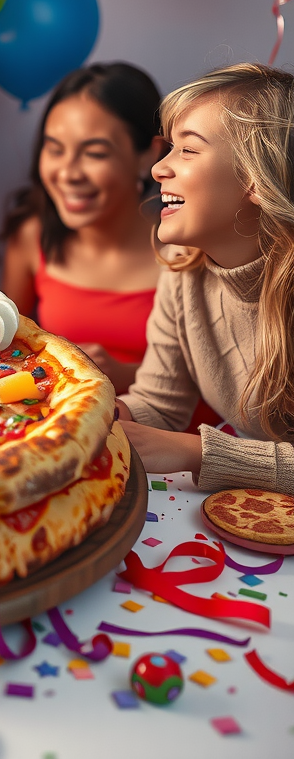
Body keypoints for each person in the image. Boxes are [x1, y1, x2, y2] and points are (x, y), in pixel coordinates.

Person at [118, 63, 294, 492]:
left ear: (255, 178)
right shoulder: (184, 266)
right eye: (169, 148)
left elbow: (173, 441)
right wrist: (83, 412)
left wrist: (194, 452)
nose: (159, 169)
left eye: (188, 150)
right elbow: (157, 407)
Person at [0, 63, 165, 393]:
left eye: (95, 153)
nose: (68, 172)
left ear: (149, 155)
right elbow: (2, 352)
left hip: (176, 439)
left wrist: (127, 374)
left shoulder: (192, 248)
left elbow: (238, 383)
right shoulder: (32, 237)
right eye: (55, 149)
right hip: (69, 434)